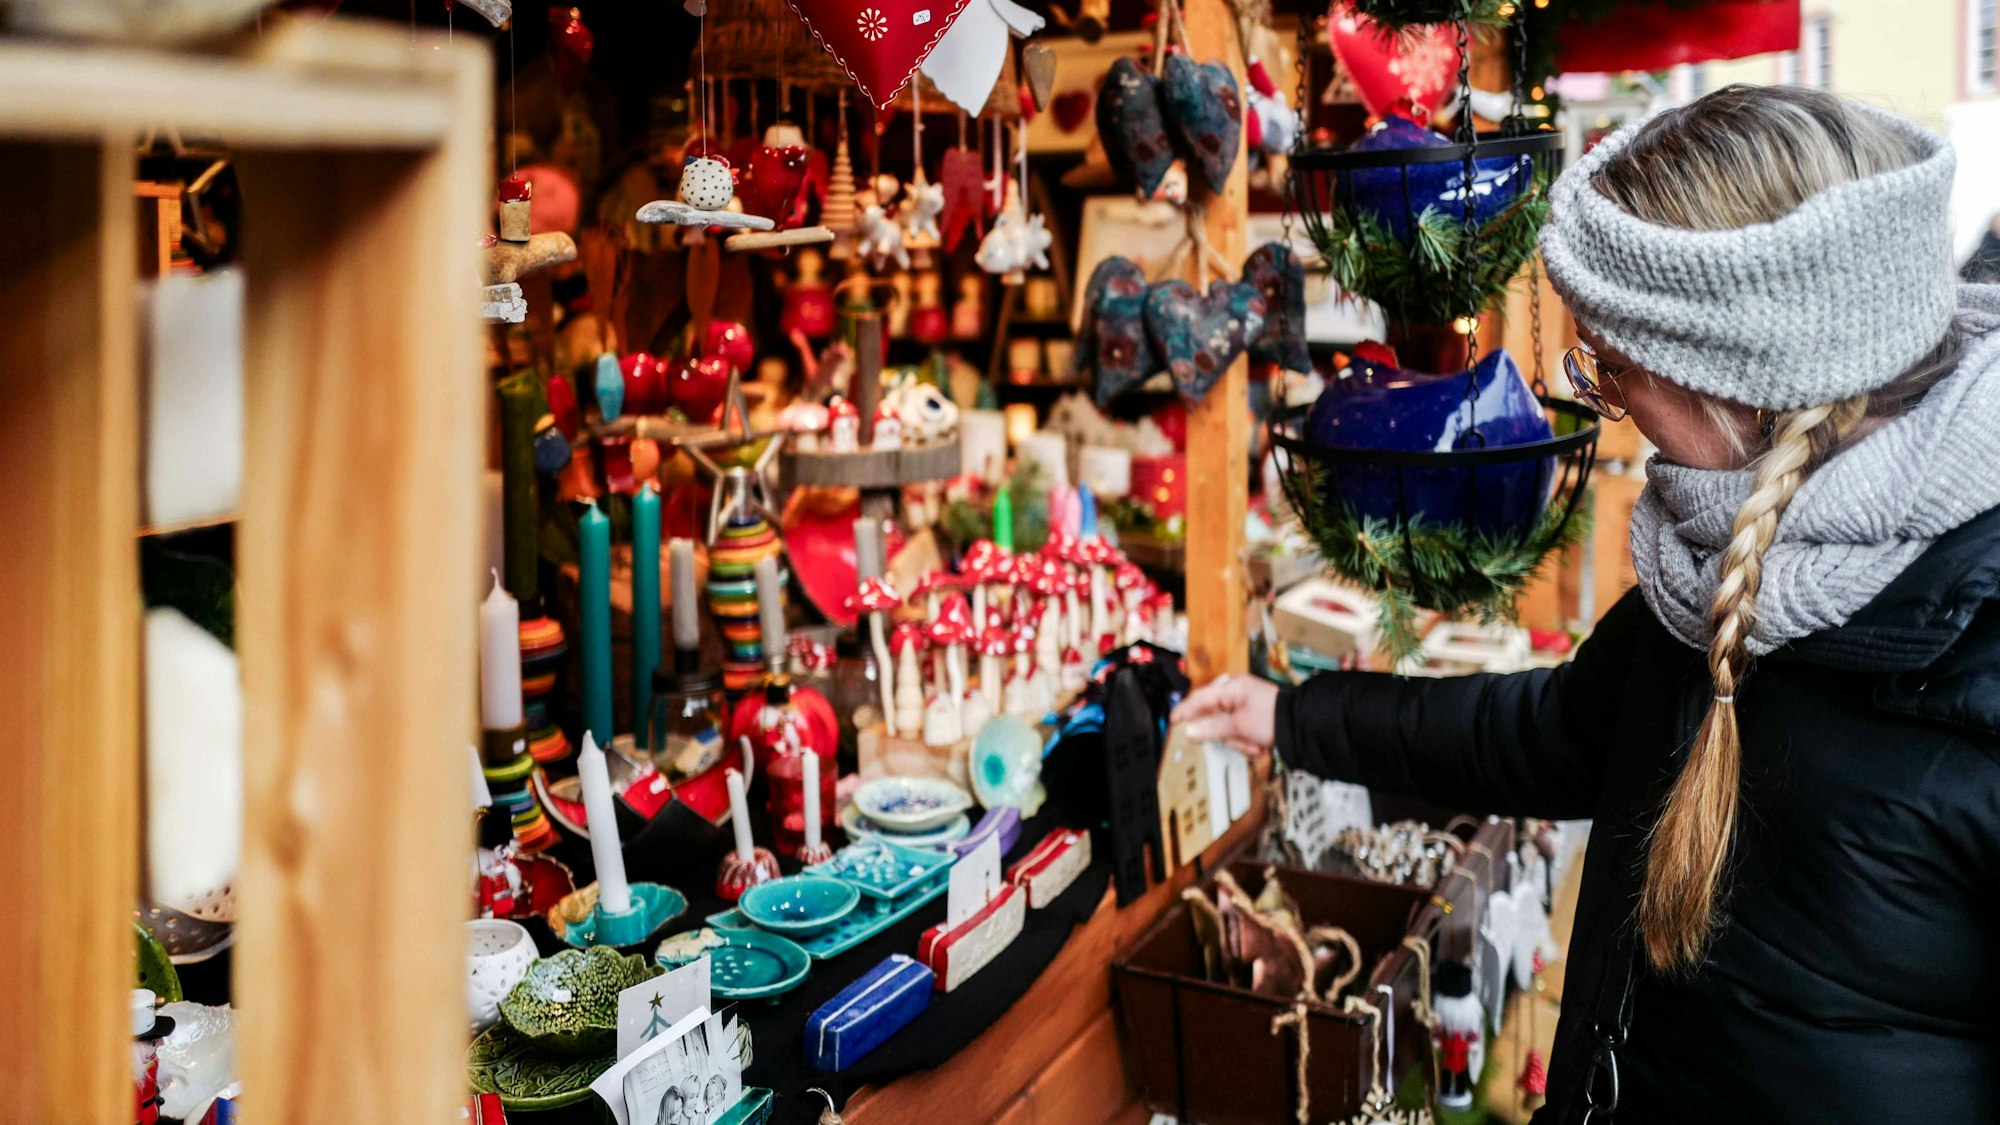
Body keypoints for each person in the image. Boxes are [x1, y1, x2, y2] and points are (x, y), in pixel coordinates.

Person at [1176, 84, 2000, 1123]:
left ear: (1734, 374)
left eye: (1611, 372)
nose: (1612, 416)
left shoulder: (1972, 646)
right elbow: (1554, 732)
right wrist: (1294, 717)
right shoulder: (1706, 556)